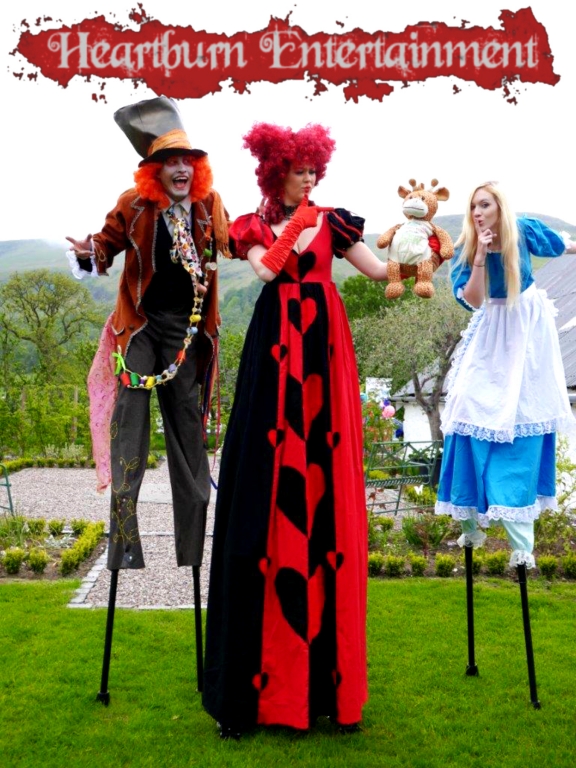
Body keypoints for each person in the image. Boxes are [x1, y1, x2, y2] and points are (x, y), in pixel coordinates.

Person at [203, 123, 388, 736]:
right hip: (275, 350)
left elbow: (377, 271)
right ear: (274, 172)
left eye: (312, 168)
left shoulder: (335, 223)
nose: (307, 177)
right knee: (267, 480)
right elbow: (264, 273)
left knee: (324, 484)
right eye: (297, 169)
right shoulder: (253, 228)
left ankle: (328, 690)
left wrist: (426, 251)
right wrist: (293, 227)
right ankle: (258, 691)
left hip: (323, 353)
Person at [66, 96, 229, 572]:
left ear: (197, 169)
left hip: (186, 329)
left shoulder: (209, 204)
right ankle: (123, 550)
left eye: (187, 160)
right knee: (129, 427)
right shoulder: (133, 203)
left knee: (187, 430)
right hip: (139, 325)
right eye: (170, 161)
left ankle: (191, 553)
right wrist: (87, 252)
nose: (180, 168)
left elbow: (235, 242)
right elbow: (105, 246)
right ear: (154, 171)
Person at [435, 181, 576, 564]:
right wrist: (480, 255)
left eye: (485, 205)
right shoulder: (466, 248)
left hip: (528, 332)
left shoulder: (522, 229)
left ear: (500, 207)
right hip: (492, 328)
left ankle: (521, 546)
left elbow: (560, 246)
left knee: (521, 415)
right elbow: (474, 300)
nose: (478, 212)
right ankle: (470, 523)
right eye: (474, 207)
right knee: (464, 409)